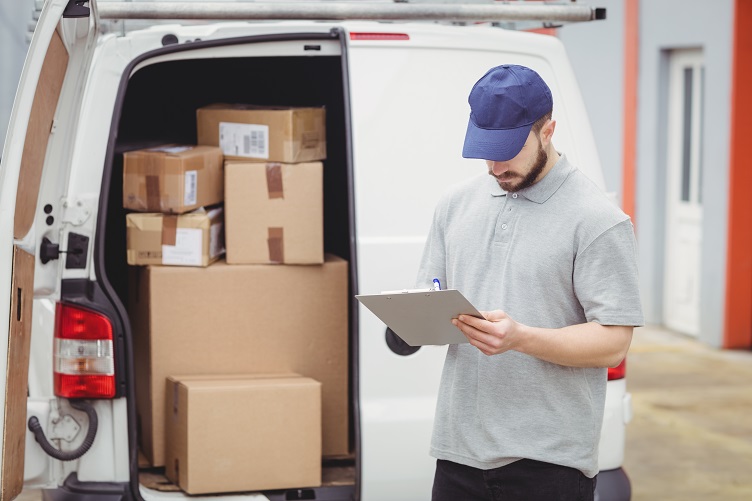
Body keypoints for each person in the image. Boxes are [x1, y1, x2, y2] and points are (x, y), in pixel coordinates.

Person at [416, 64, 644, 501]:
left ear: (548, 130)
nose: (494, 166)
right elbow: (431, 292)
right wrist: (409, 328)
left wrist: (520, 338)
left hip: (548, 465)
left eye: (507, 150)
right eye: (486, 149)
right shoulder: (454, 205)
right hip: (457, 454)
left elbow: (614, 342)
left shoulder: (598, 220)